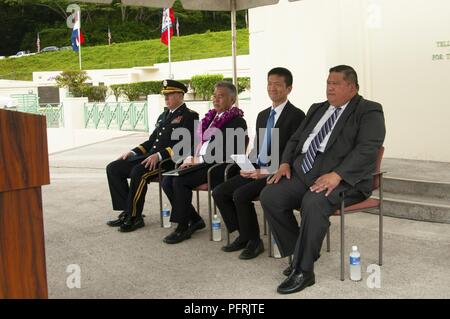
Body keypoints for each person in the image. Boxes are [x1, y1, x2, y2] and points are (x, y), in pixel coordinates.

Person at [260, 65, 386, 294]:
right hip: (303, 171)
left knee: (314, 202)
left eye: (335, 83)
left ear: (352, 87)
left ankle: (303, 271)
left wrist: (337, 175)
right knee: (270, 195)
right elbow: (295, 139)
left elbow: (368, 148)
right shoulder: (318, 108)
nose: (329, 87)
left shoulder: (368, 110)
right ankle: (300, 251)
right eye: (328, 82)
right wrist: (285, 162)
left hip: (344, 178)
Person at [212, 67, 305, 260]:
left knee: (241, 195)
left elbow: (294, 153)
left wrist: (265, 171)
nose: (273, 88)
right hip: (257, 168)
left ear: (289, 89)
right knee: (220, 192)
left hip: (276, 171)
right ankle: (244, 235)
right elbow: (258, 146)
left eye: (278, 84)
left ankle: (254, 241)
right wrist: (248, 165)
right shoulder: (263, 115)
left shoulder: (297, 116)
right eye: (270, 83)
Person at [106, 80, 198, 232]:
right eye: (165, 95)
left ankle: (135, 217)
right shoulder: (164, 115)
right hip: (151, 157)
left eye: (170, 95)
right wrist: (134, 152)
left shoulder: (190, 116)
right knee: (114, 168)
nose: (166, 98)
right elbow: (152, 141)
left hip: (170, 161)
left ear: (181, 96)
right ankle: (127, 211)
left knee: (139, 172)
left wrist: (160, 156)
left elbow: (186, 145)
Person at [161, 81, 247, 244]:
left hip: (218, 167)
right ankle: (194, 219)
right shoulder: (210, 119)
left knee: (180, 181)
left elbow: (229, 153)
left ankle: (182, 226)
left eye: (221, 96)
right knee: (167, 181)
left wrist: (198, 160)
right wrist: (189, 158)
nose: (216, 99)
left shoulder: (237, 122)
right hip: (200, 164)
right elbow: (196, 143)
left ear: (232, 100)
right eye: (214, 95)